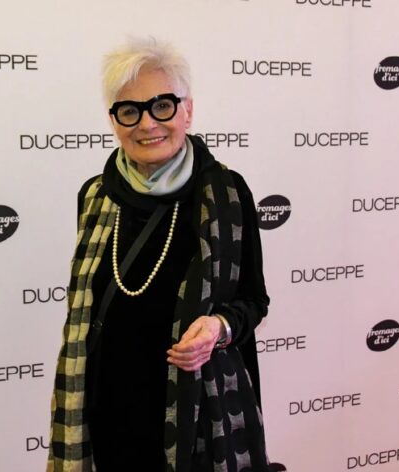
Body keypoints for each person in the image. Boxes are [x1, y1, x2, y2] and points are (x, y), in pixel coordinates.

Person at [47, 37, 270, 472]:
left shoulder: (226, 193)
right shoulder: (94, 196)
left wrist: (218, 327)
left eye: (162, 106)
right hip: (108, 406)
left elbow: (254, 301)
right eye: (130, 110)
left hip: (197, 409)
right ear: (114, 120)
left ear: (188, 111)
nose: (147, 123)